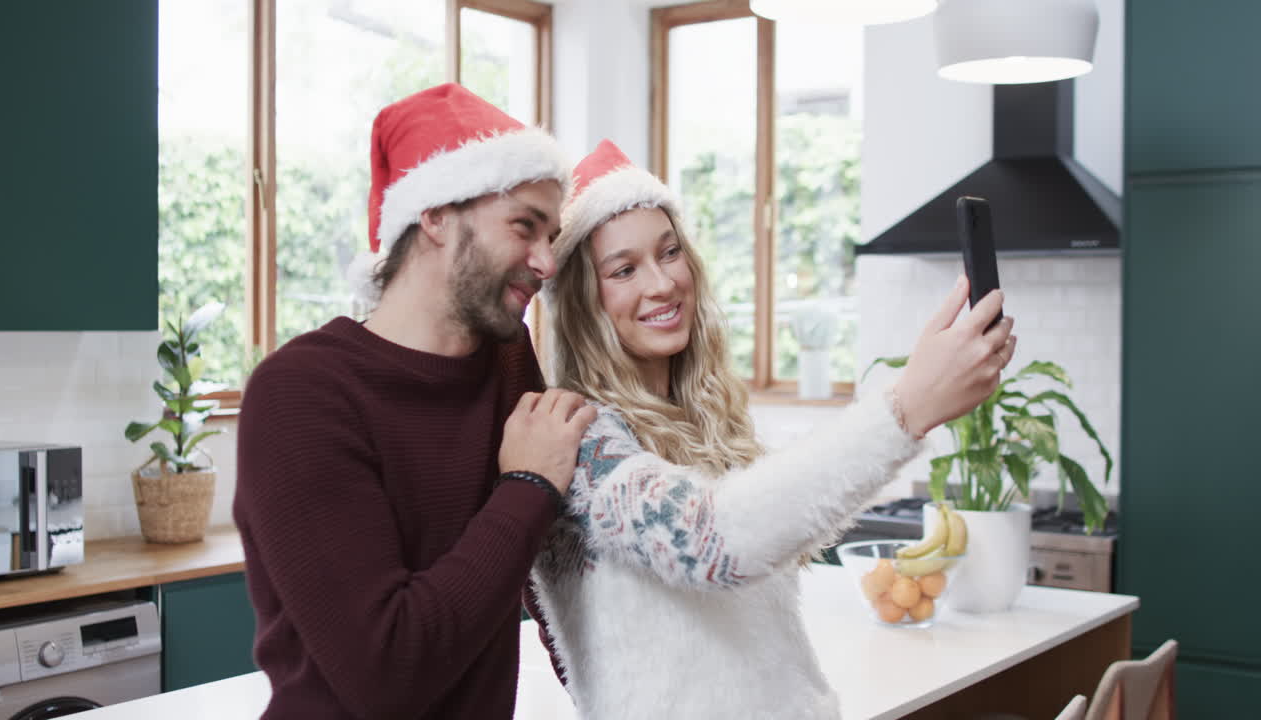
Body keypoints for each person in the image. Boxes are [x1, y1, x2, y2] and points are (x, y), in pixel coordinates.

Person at [526, 140, 1017, 719]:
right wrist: (907, 406)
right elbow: (716, 541)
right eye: (624, 269)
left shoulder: (706, 424)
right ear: (583, 302)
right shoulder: (579, 440)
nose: (661, 284)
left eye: (670, 252)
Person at [233, 83, 597, 720]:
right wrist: (528, 482)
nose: (546, 262)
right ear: (433, 213)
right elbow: (387, 674)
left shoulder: (506, 360)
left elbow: (554, 593)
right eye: (524, 227)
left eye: (552, 235)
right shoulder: (300, 395)